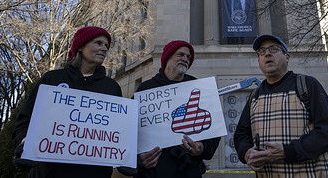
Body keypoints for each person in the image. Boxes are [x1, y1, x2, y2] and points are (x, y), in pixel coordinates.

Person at [12, 26, 123, 178]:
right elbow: (24, 123)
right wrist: (25, 142)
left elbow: (118, 132)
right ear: (81, 47)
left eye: (106, 45)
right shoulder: (51, 79)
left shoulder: (112, 88)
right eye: (98, 43)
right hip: (49, 172)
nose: (104, 48)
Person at [234, 34, 328, 177]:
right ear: (259, 61)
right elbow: (241, 135)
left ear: (287, 57)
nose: (267, 53)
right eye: (262, 51)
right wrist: (247, 152)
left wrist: (287, 151)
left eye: (274, 49)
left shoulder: (307, 85)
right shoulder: (255, 96)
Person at [135, 40, 220, 178]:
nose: (185, 59)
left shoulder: (199, 89)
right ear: (167, 58)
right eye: (180, 55)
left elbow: (214, 132)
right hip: (153, 172)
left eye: (188, 57)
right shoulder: (146, 89)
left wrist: (202, 148)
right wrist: (139, 158)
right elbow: (131, 131)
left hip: (188, 171)